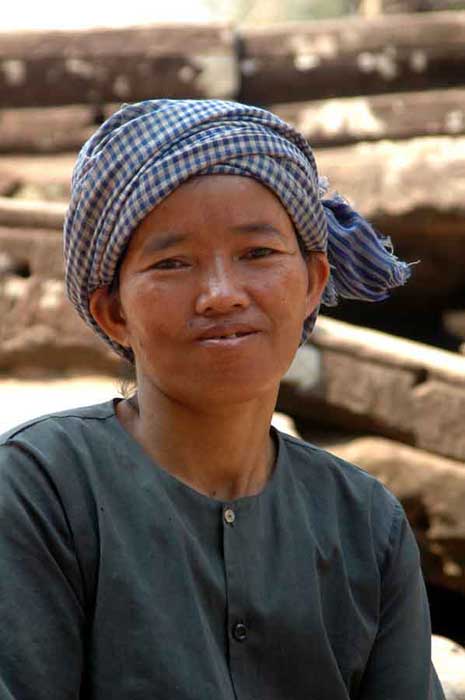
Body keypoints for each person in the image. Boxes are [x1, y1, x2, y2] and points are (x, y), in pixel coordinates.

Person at [0, 99, 445, 699]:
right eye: (173, 262)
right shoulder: (40, 490)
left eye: (257, 254)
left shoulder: (367, 524)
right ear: (113, 313)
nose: (220, 294)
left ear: (313, 282)